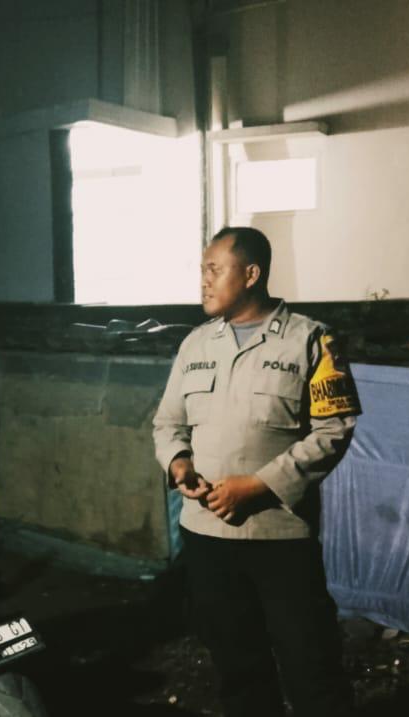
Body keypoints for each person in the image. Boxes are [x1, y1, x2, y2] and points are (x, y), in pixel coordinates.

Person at [152, 226, 360, 717]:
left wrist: (260, 486)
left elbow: (334, 429)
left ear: (251, 274)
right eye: (202, 270)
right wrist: (179, 462)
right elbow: (167, 422)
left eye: (214, 269)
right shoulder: (196, 344)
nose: (203, 281)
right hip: (206, 535)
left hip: (280, 537)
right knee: (237, 666)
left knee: (311, 665)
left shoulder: (311, 340)